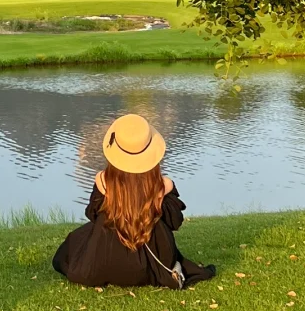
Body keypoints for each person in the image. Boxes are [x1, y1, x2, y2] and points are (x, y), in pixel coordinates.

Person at [52, 112, 215, 289]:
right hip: (153, 265)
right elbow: (175, 222)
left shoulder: (103, 181)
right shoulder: (163, 186)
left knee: (76, 241)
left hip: (105, 259)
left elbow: (93, 215)